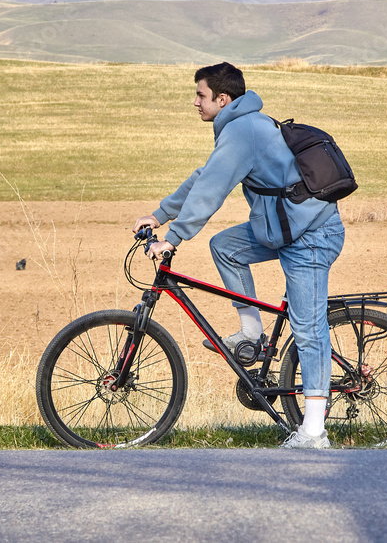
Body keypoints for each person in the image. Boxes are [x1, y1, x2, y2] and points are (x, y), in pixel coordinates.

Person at [133, 62, 345, 449]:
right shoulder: (239, 126)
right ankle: (252, 333)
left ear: (222, 98)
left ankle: (314, 432)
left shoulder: (243, 129)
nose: (194, 102)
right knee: (225, 246)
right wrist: (160, 213)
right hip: (282, 228)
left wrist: (174, 237)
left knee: (308, 328)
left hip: (310, 235)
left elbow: (211, 189)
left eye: (200, 95)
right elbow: (205, 176)